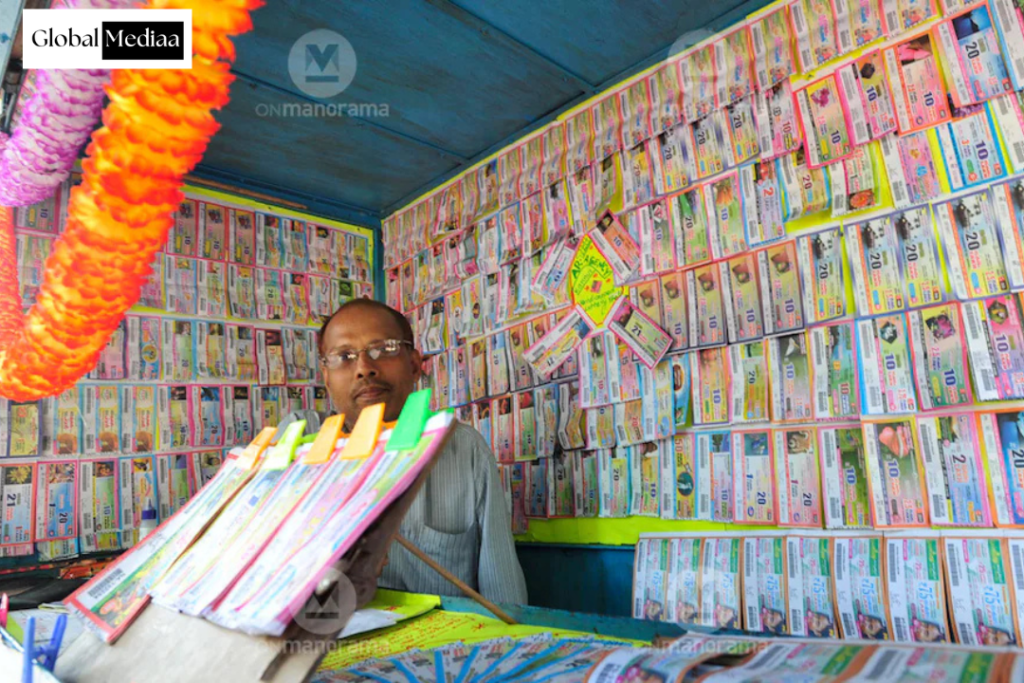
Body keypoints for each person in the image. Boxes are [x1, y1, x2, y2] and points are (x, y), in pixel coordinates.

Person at [317, 299, 527, 605]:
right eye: (344, 356)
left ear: (414, 366)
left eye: (384, 349)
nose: (364, 368)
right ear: (326, 378)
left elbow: (504, 596)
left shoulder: (464, 451)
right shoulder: (305, 465)